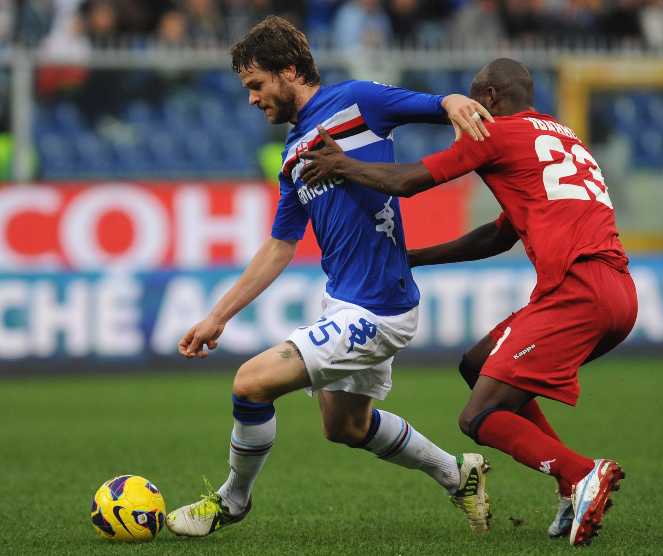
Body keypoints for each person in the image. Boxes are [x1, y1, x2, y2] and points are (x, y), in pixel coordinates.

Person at [165, 15, 497, 538]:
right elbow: (279, 246)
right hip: (342, 302)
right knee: (347, 427)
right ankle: (459, 475)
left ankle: (231, 501)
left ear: (290, 71)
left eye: (256, 85)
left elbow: (434, 105)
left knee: (251, 384)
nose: (252, 99)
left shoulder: (358, 102)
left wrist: (452, 102)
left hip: (380, 309)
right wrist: (216, 317)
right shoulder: (293, 155)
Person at [298, 58, 638, 547]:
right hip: (617, 293)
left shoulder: (495, 132)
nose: (467, 113)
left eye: (474, 101)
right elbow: (499, 236)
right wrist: (412, 258)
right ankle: (571, 483)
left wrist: (342, 164)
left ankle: (582, 472)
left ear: (491, 100)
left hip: (576, 292)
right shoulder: (564, 137)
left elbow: (410, 181)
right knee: (478, 365)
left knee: (476, 419)